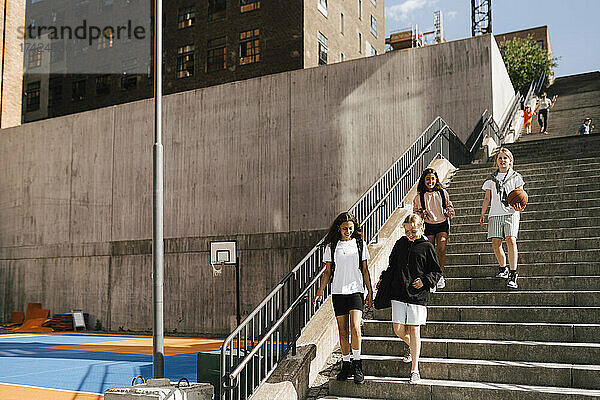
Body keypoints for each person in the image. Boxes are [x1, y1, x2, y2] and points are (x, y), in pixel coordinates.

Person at [378, 213, 441, 384]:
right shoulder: (400, 244)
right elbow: (392, 265)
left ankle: (415, 369)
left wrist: (425, 281)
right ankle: (412, 346)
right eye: (407, 231)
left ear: (421, 228)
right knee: (398, 329)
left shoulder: (427, 247)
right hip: (398, 291)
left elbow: (436, 271)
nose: (410, 234)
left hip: (417, 295)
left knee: (414, 330)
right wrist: (383, 279)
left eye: (413, 231)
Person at [314, 212, 373, 384]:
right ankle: (345, 363)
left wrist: (369, 290)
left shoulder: (360, 244)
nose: (348, 231)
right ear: (339, 229)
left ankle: (357, 363)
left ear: (354, 229)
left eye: (350, 228)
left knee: (355, 327)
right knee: (342, 331)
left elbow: (365, 269)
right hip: (338, 292)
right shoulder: (332, 246)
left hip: (356, 290)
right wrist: (319, 291)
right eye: (344, 228)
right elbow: (327, 272)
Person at [479, 148, 525, 289]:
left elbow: (521, 194)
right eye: (500, 158)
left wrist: (521, 206)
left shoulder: (516, 176)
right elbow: (487, 197)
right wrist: (482, 212)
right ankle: (503, 267)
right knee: (496, 243)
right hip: (495, 213)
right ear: (496, 161)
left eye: (505, 158)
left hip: (511, 213)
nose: (503, 160)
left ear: (510, 161)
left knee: (511, 240)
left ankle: (513, 273)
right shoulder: (491, 179)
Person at [413, 168, 454, 289]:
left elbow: (450, 207)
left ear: (436, 180)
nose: (430, 181)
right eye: (427, 179)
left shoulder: (442, 193)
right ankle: (431, 276)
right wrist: (421, 214)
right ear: (424, 180)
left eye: (432, 178)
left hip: (442, 224)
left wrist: (448, 212)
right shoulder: (419, 197)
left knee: (441, 247)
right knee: (429, 251)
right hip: (428, 225)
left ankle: (440, 274)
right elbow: (415, 213)